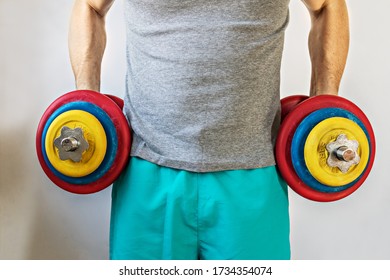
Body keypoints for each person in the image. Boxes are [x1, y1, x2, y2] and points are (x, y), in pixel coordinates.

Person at [68, 0, 349, 260]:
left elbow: (327, 5)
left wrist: (323, 104)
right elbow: (90, 5)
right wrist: (87, 99)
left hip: (253, 174)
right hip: (146, 168)